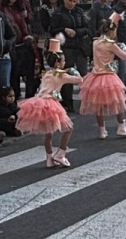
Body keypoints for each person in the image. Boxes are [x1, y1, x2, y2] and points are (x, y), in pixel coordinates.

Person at [18, 39, 82, 167]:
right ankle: (61, 154)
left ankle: (49, 159)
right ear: (58, 63)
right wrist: (72, 70)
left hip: (39, 103)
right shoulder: (61, 75)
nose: (65, 63)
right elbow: (78, 80)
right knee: (69, 128)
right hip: (51, 104)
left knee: (49, 133)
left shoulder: (47, 73)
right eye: (63, 61)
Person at [82, 15, 126, 139]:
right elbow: (125, 57)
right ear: (111, 31)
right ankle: (121, 127)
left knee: (98, 105)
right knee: (118, 101)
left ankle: (102, 130)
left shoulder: (95, 42)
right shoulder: (111, 44)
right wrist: (123, 47)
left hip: (95, 76)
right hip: (108, 76)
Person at [47, 0, 91, 111]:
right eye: (70, 1)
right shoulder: (58, 13)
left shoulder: (80, 12)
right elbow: (52, 30)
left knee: (83, 73)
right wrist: (65, 29)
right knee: (66, 74)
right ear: (65, 0)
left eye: (74, 1)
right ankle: (68, 102)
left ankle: (85, 101)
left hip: (80, 46)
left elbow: (87, 28)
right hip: (66, 47)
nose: (72, 3)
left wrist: (77, 32)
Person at [0, 0, 36, 99]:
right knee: (14, 73)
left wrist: (27, 16)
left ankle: (29, 96)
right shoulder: (0, 7)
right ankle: (15, 95)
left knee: (30, 72)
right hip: (11, 43)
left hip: (24, 41)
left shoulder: (21, 5)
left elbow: (28, 20)